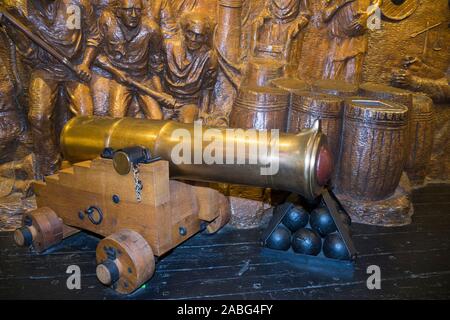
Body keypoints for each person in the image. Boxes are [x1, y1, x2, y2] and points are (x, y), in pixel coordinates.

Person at [2, 0, 100, 179]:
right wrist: (13, 30)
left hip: (74, 69)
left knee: (86, 119)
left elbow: (94, 36)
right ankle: (49, 167)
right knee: (38, 117)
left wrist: (85, 64)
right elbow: (27, 51)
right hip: (45, 68)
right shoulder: (18, 9)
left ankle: (85, 168)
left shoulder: (76, 5)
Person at [93, 0, 166, 119]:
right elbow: (96, 53)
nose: (133, 15)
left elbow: (155, 65)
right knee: (116, 117)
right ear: (118, 11)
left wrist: (159, 93)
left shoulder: (151, 29)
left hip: (143, 80)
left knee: (157, 118)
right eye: (128, 10)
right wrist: (116, 72)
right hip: (121, 80)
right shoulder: (108, 22)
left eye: (137, 10)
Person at [163, 12, 218, 123]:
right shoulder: (169, 46)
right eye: (190, 33)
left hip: (188, 103)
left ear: (205, 37)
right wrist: (160, 96)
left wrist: (204, 112)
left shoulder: (209, 57)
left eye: (199, 36)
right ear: (184, 32)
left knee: (187, 126)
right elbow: (156, 72)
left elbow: (207, 88)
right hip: (165, 99)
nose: (193, 39)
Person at [322, 0, 372, 84]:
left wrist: (368, 16)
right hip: (339, 41)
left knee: (354, 77)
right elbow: (325, 16)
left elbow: (377, 4)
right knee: (331, 79)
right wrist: (340, 3)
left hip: (358, 39)